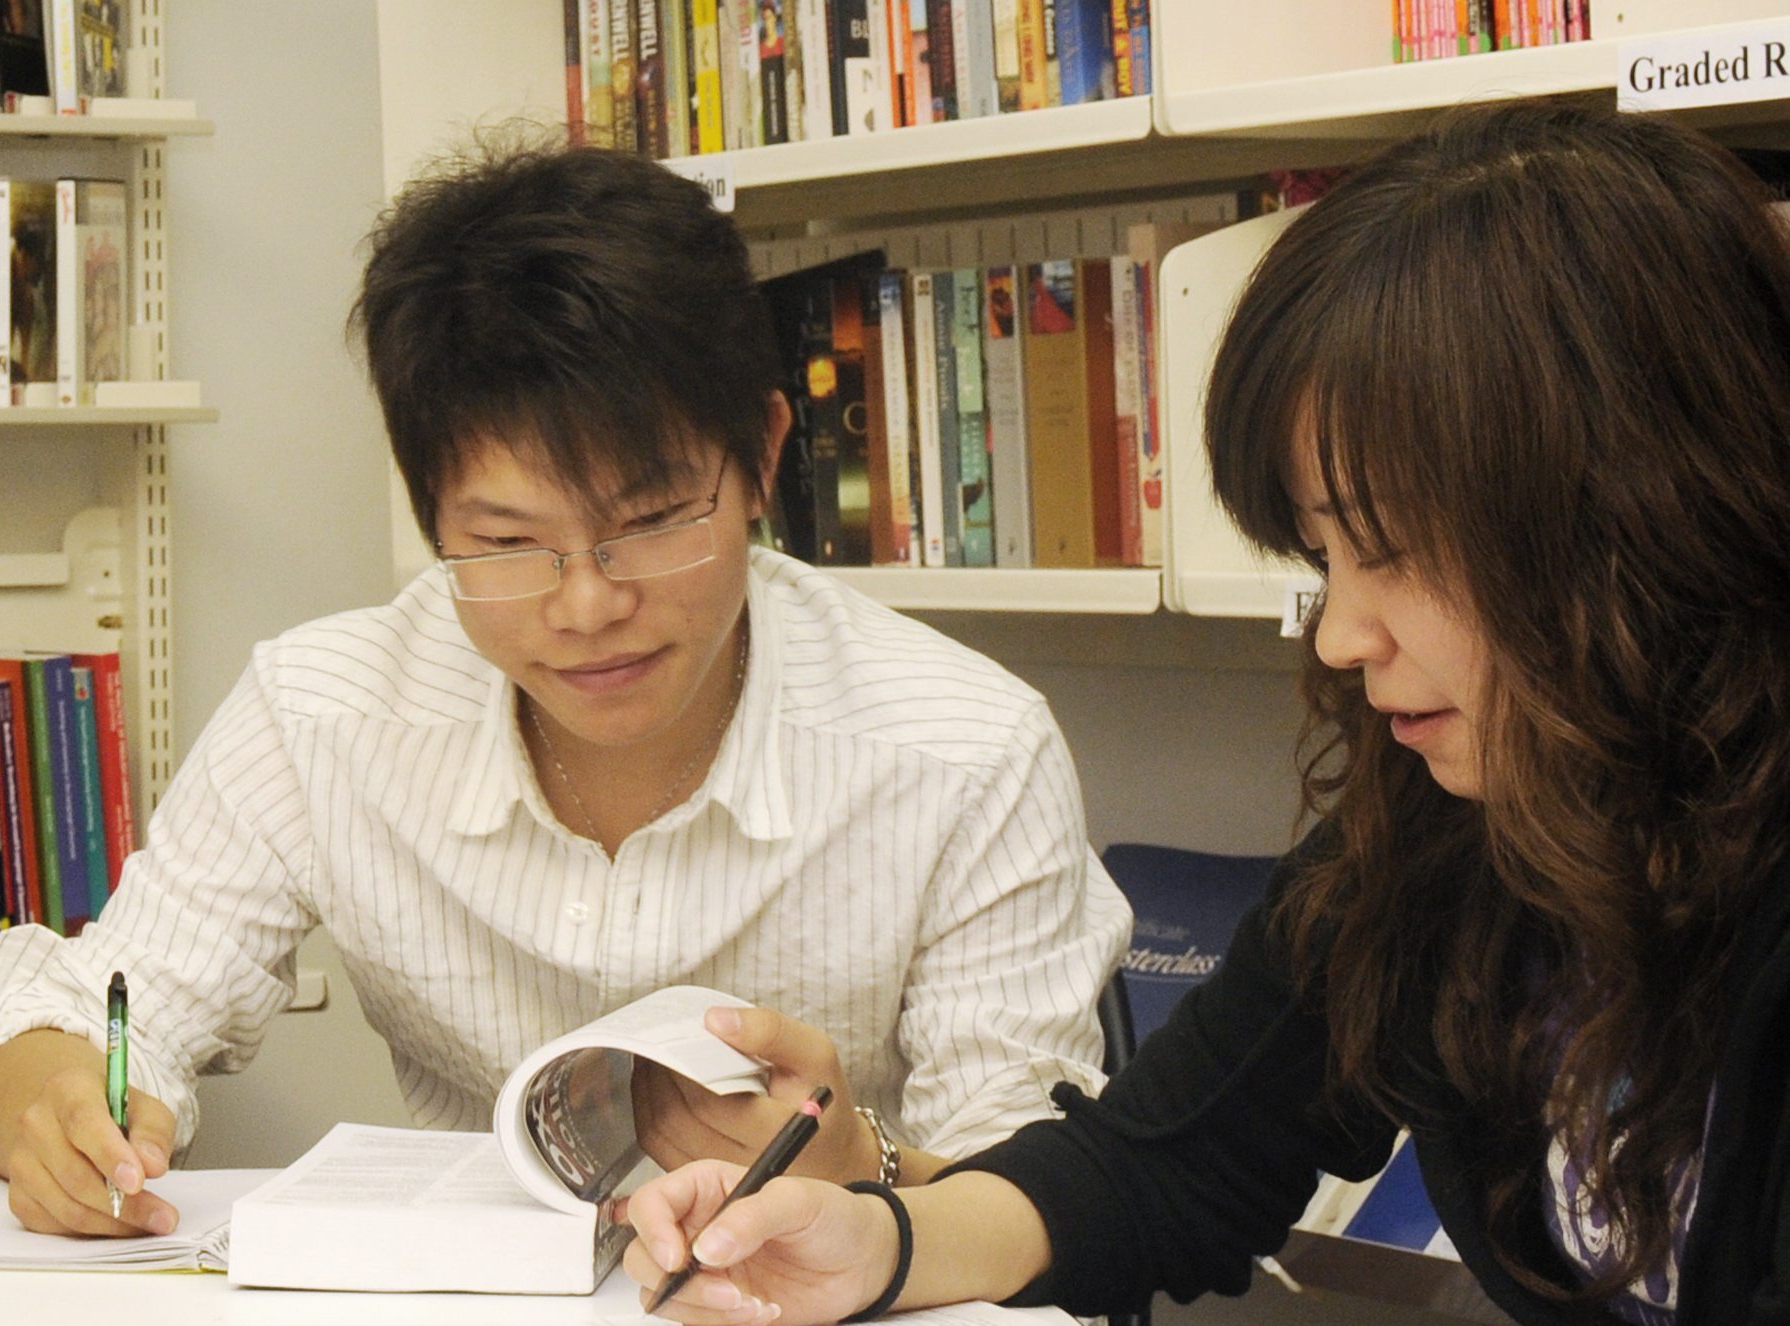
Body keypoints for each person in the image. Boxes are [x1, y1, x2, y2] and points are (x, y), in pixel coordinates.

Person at [625, 99, 1790, 1326]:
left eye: (1390, 550)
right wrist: (876, 1239)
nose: (1342, 638)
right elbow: (1168, 1160)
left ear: (1638, 510)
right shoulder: (1464, 816)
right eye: (1322, 556)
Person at [0, 140, 1130, 1239]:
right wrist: (53, 1104)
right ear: (429, 516)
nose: (583, 606)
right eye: (506, 544)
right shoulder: (322, 711)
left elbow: (1040, 1199)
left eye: (651, 522)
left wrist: (859, 1169)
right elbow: (110, 1003)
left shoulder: (965, 751)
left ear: (765, 457)